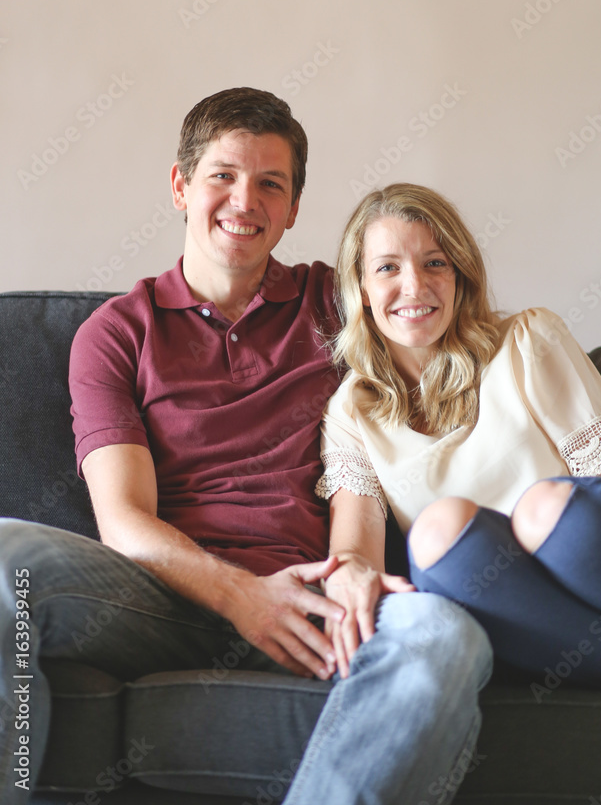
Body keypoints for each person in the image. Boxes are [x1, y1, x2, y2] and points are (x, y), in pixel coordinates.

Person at [0, 90, 492, 805]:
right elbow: (124, 521)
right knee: (6, 559)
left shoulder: (338, 304)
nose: (245, 200)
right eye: (223, 176)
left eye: (271, 183)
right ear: (180, 186)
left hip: (320, 596)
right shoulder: (117, 332)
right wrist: (241, 597)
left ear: (293, 208)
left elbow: (380, 428)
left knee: (446, 635)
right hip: (161, 598)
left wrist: (353, 567)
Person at [316, 181, 601, 694]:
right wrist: (343, 575)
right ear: (362, 290)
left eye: (434, 262)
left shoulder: (527, 340)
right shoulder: (351, 411)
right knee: (437, 530)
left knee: (543, 507)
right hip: (514, 612)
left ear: (459, 275)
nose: (414, 286)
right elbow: (356, 548)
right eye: (388, 267)